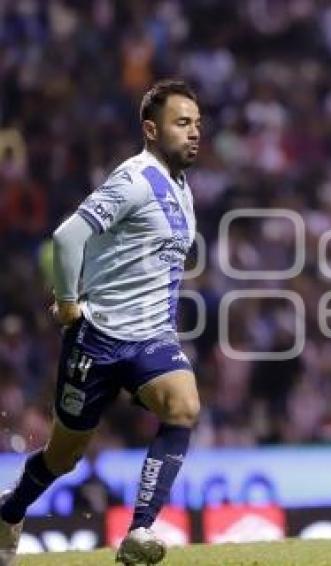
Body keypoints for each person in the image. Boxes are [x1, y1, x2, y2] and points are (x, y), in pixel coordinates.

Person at [0, 79, 202, 565]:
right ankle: (10, 511)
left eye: (197, 123)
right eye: (182, 123)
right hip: (98, 339)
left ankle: (139, 531)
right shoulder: (134, 179)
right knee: (63, 457)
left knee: (184, 407)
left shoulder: (181, 187)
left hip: (151, 338)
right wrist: (68, 303)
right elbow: (69, 236)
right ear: (151, 130)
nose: (195, 133)